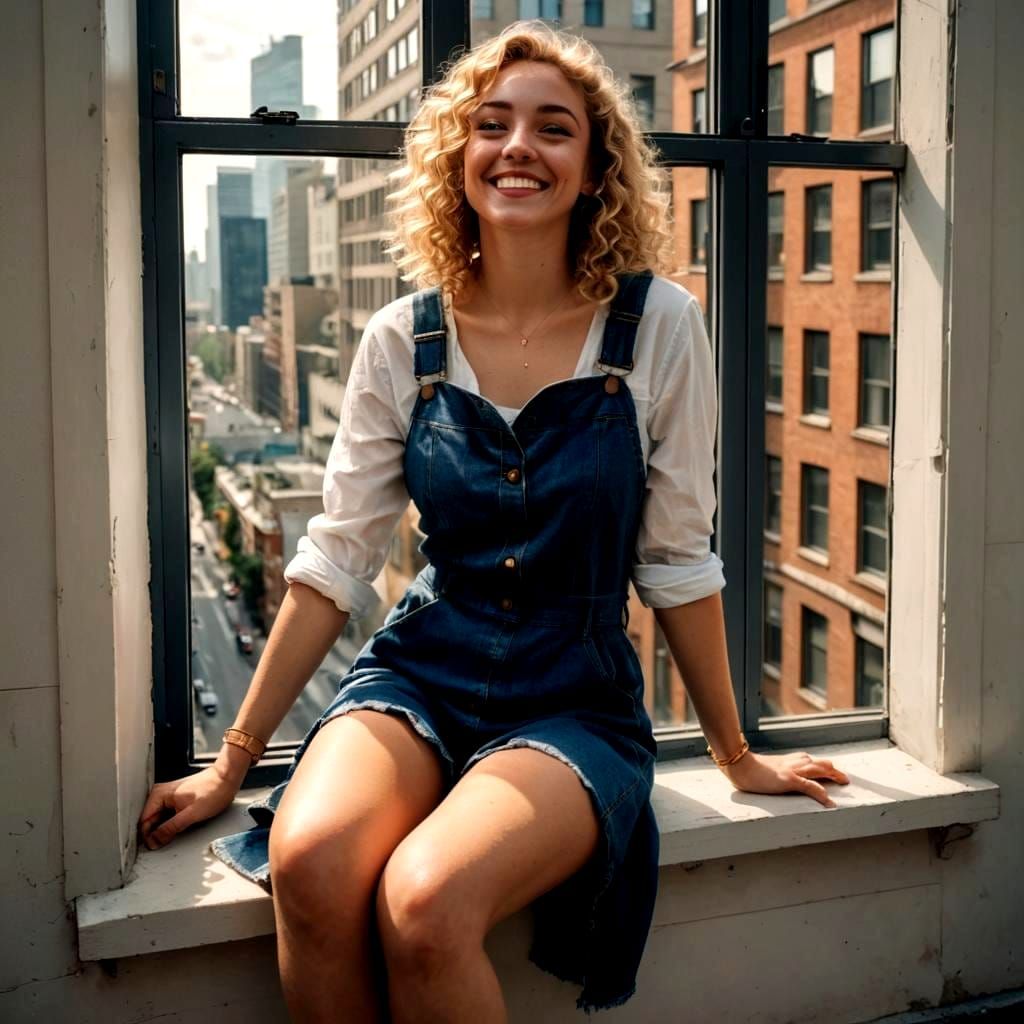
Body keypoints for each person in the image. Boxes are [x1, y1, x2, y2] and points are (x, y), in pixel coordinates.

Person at [138, 21, 850, 1022]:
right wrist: (231, 758)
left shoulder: (658, 328)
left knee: (425, 901)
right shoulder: (402, 337)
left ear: (595, 166)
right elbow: (334, 558)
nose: (519, 145)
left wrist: (736, 755)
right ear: (458, 157)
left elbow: (678, 558)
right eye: (492, 123)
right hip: (422, 668)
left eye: (553, 128)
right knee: (305, 857)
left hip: (572, 694)